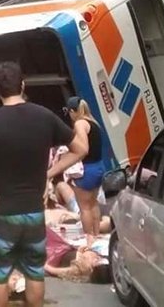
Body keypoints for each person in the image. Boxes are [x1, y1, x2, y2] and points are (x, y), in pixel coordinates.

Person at [0, 61, 85, 307]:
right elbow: (80, 148)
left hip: (1, 213)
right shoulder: (44, 116)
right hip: (34, 211)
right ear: (23, 85)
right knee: (34, 272)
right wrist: (48, 174)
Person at [51, 97, 105, 236]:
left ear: (72, 111)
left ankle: (89, 238)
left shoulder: (80, 124)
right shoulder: (94, 123)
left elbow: (83, 147)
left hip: (87, 169)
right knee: (93, 204)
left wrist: (69, 154)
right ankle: (96, 234)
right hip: (99, 167)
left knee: (84, 208)